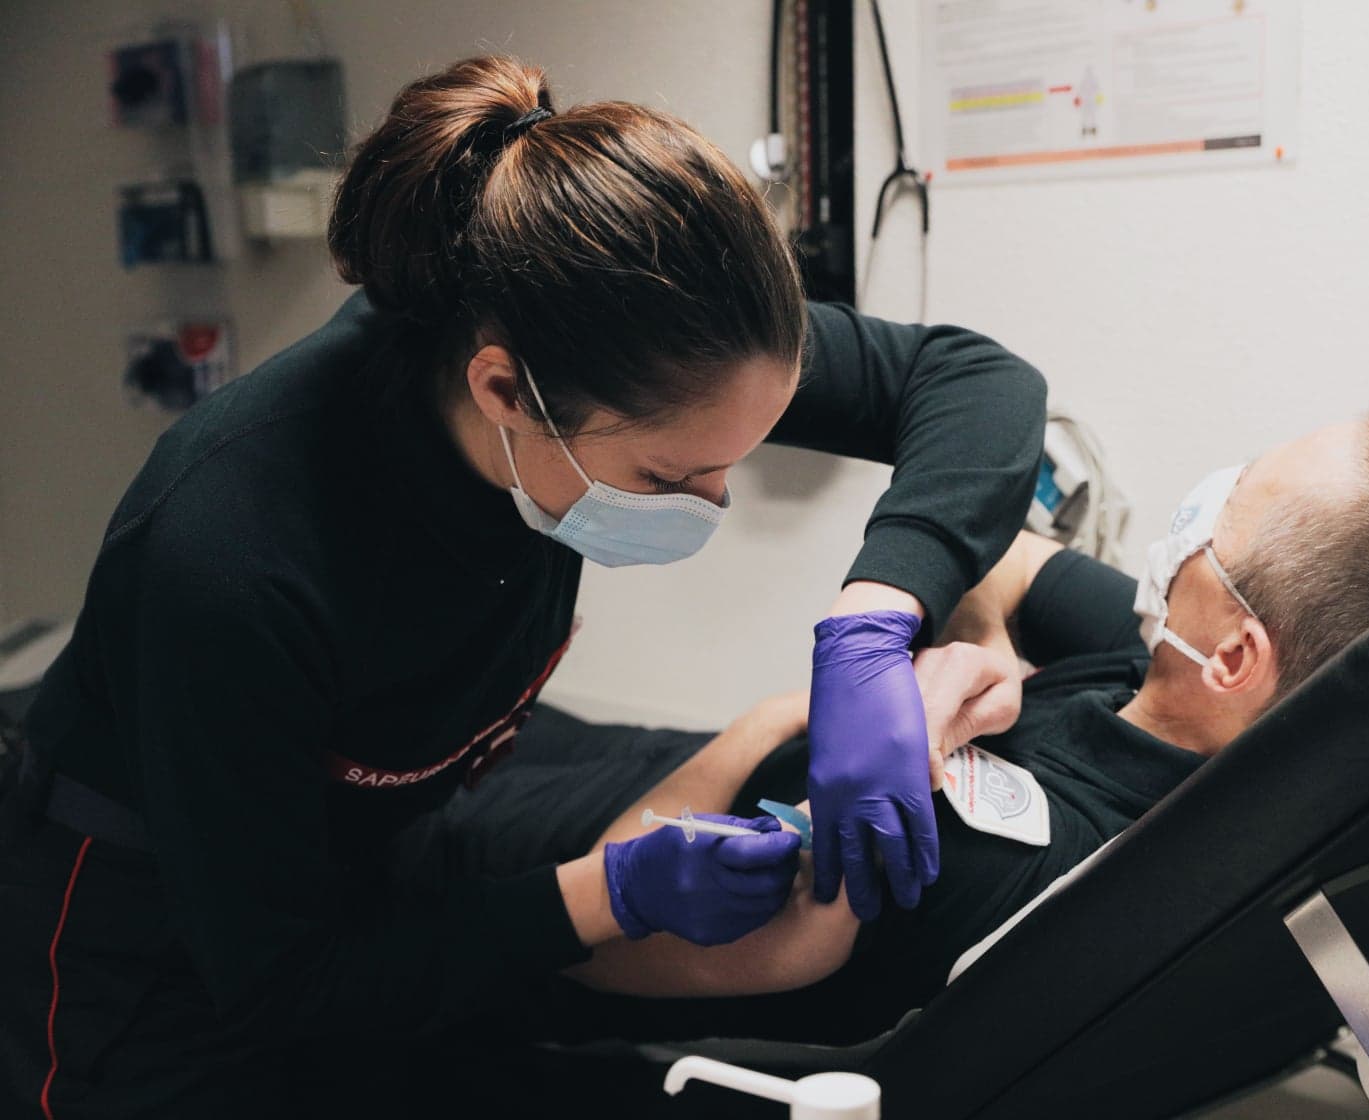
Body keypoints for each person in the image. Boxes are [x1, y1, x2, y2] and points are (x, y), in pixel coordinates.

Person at [0, 56, 1046, 1117]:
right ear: (503, 390)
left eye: (734, 460)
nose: (715, 502)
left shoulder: (620, 352)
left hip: (380, 830)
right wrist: (610, 891)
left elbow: (977, 382)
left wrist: (876, 614)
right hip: (143, 961)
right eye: (669, 478)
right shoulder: (234, 553)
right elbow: (287, 980)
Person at [506, 413, 1369, 1044]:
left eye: (1229, 513)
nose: (1205, 508)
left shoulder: (1015, 865)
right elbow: (1002, 558)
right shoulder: (1190, 690)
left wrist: (778, 720)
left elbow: (587, 952)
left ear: (1237, 656)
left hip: (585, 856)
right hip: (644, 762)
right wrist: (983, 647)